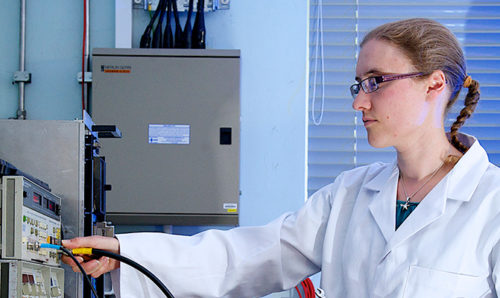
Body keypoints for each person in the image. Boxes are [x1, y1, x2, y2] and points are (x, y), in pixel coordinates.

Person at [62, 18, 500, 297]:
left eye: (376, 81)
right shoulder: (349, 195)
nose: (358, 103)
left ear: (434, 84)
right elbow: (246, 257)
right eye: (358, 84)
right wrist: (126, 253)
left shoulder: (491, 203)